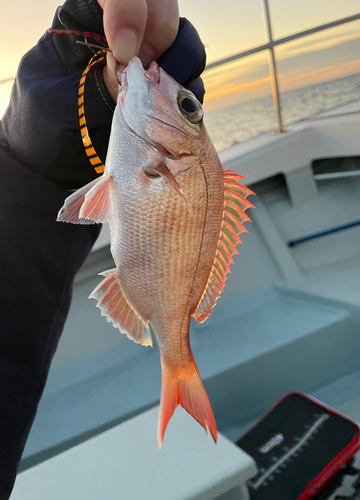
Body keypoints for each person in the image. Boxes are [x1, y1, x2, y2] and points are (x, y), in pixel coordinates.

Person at [0, 0, 206, 497]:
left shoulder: (150, 149)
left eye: (187, 107)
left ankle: (175, 362)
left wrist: (75, 84)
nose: (180, 100)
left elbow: (43, 203)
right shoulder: (160, 156)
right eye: (188, 107)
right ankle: (176, 364)